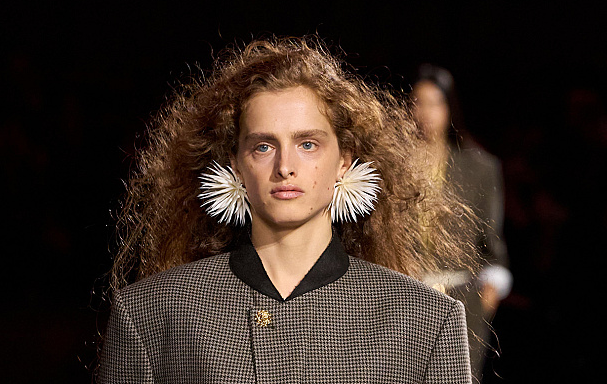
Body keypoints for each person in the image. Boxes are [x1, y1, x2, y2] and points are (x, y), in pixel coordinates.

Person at [97, 37, 480, 383]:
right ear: (236, 164)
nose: (285, 167)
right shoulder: (151, 313)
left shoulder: (426, 320)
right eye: (263, 146)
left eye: (307, 144)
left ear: (344, 160)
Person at [412, 63, 513, 380]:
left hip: (462, 300)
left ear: (449, 108)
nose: (426, 112)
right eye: (418, 102)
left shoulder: (478, 167)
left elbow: (492, 239)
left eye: (435, 103)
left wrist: (488, 293)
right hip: (406, 297)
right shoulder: (393, 164)